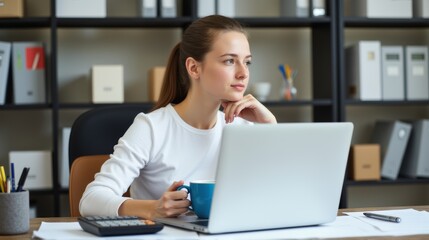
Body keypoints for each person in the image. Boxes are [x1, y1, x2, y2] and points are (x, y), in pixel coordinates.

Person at [79, 15, 277, 220]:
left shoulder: (244, 128)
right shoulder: (152, 128)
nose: (243, 73)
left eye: (247, 62)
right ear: (194, 68)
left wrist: (270, 127)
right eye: (229, 61)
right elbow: (91, 200)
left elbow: (279, 195)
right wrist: (152, 208)